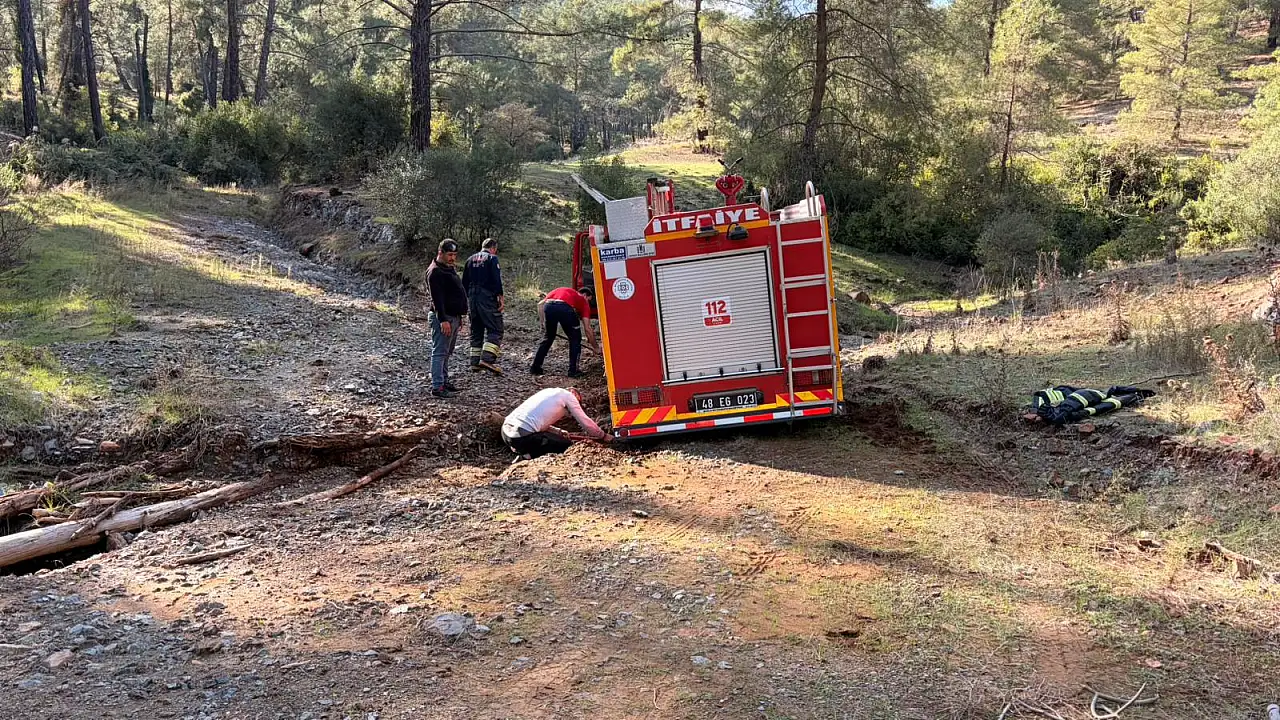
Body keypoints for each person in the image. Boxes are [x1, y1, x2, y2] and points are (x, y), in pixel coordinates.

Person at [502, 387, 608, 459]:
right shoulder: (569, 396)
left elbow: (538, 421)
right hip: (520, 437)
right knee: (566, 445)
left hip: (506, 433)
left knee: (551, 438)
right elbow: (585, 421)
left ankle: (522, 450)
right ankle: (528, 455)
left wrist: (558, 431)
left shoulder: (548, 392)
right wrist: (603, 436)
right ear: (575, 394)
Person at [424, 239, 468, 398]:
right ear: (440, 253)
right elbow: (437, 299)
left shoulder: (448, 268)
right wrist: (443, 319)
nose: (453, 258)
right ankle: (437, 386)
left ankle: (444, 381)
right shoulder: (435, 271)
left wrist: (459, 317)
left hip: (453, 316)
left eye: (455, 255)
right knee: (440, 351)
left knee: (447, 352)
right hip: (444, 317)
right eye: (450, 254)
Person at [530, 286, 600, 378]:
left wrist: (542, 324)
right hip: (564, 308)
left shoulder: (563, 291)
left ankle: (535, 367)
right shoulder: (583, 301)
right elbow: (587, 328)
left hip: (549, 306)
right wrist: (596, 347)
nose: (588, 303)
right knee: (575, 339)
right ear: (584, 295)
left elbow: (540, 304)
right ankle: (573, 371)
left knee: (548, 338)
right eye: (589, 300)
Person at [462, 237, 504, 375]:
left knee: (476, 329)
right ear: (493, 248)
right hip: (486, 297)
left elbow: (464, 282)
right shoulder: (492, 259)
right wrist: (500, 296)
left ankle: (474, 362)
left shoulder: (470, 259)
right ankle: (487, 359)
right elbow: (496, 279)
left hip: (472, 297)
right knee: (496, 329)